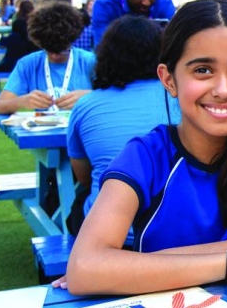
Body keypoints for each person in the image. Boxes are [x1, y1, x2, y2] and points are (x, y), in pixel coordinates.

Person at [60, 0, 227, 296]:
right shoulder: (145, 156)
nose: (224, 90)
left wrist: (137, 266)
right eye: (202, 70)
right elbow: (85, 268)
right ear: (169, 79)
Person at [65, 16, 174, 232]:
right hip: (171, 229)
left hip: (107, 232)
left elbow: (84, 177)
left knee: (77, 198)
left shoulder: (85, 105)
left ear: (105, 55)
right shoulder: (180, 99)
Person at [0, 1, 96, 119]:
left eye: (62, 50)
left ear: (72, 40)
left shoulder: (90, 61)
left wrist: (90, 97)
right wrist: (21, 101)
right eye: (49, 50)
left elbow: (117, 99)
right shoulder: (28, 64)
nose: (55, 56)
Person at [0, 0, 38, 103]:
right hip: (33, 65)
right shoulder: (37, 39)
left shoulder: (13, 38)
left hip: (12, 65)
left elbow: (2, 41)